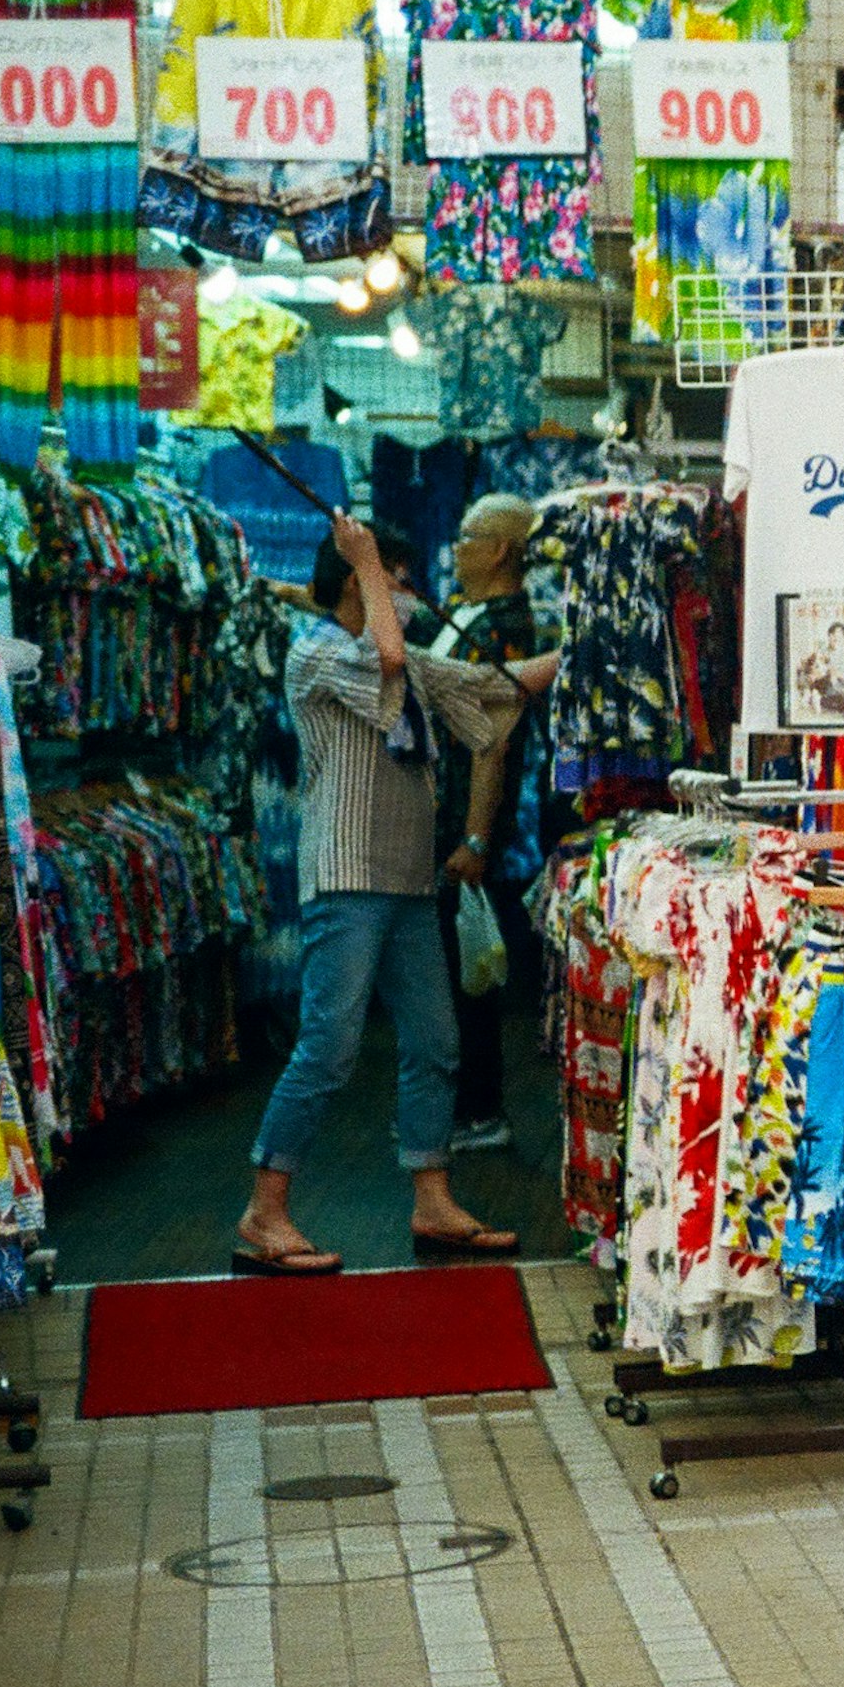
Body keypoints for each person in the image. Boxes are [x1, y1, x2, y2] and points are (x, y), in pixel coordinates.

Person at [235, 514, 561, 1274]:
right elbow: (384, 655)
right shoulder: (316, 653)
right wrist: (368, 557)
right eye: (399, 582)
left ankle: (433, 1199)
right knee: (329, 1047)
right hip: (347, 878)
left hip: (410, 880)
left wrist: (586, 651)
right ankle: (264, 1210)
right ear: (361, 582)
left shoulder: (409, 659)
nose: (415, 596)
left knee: (436, 1043)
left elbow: (496, 687)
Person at [432, 494, 549, 1156]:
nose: (455, 546)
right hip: (443, 818)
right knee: (451, 967)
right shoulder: (466, 612)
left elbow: (491, 738)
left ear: (499, 549)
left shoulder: (504, 624)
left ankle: (480, 1108)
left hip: (463, 827)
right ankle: (458, 1105)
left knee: (467, 970)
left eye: (467, 534)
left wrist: (476, 836)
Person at [793, 617, 844, 723]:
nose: (835, 638)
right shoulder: (820, 653)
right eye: (832, 635)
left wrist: (840, 675)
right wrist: (809, 677)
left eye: (839, 636)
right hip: (834, 697)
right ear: (828, 636)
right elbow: (804, 677)